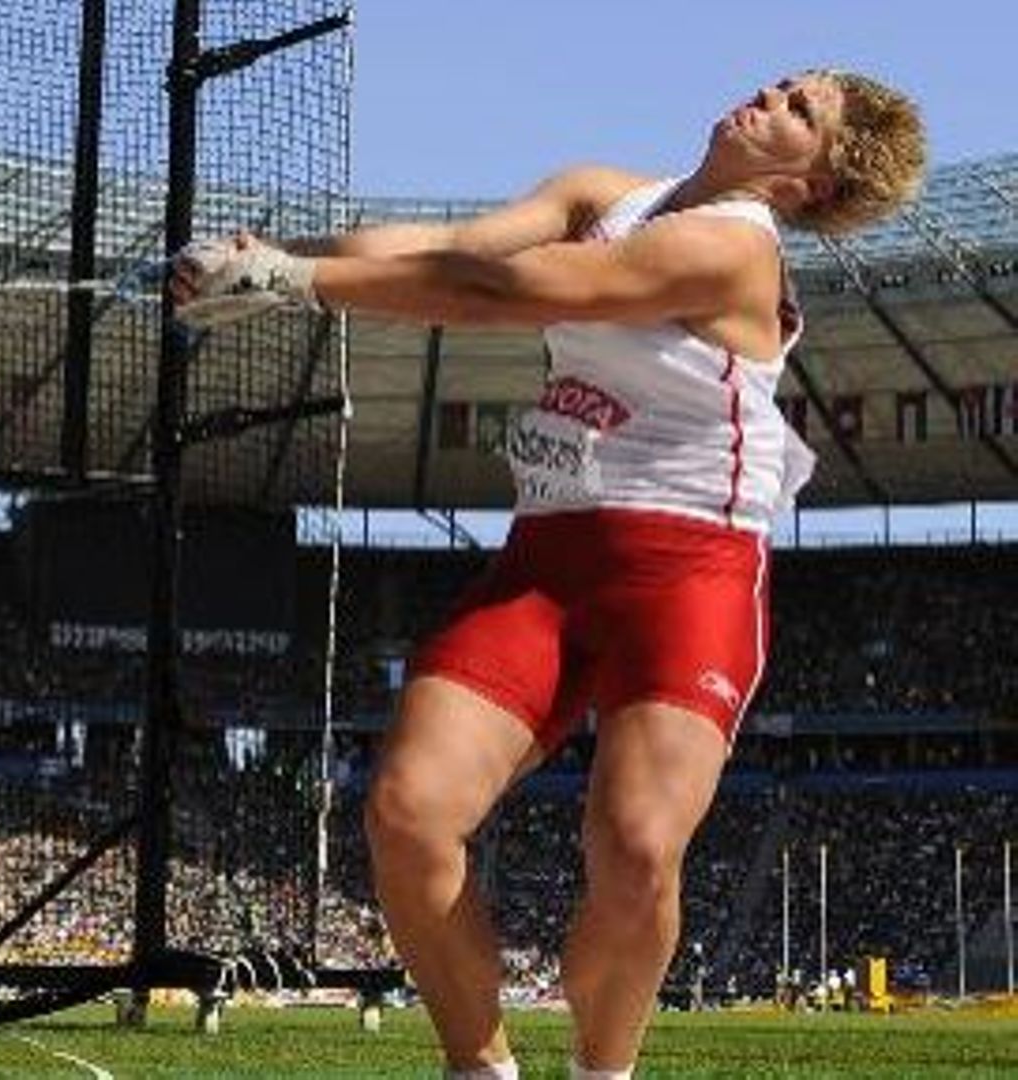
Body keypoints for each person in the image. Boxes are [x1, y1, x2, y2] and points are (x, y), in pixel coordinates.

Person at [171, 70, 924, 1080]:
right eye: (786, 82)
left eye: (802, 111)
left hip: (689, 569)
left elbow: (505, 294)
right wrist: (262, 259)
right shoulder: (599, 192)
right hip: (550, 558)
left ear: (811, 185)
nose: (773, 95)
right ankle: (479, 1067)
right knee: (408, 813)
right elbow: (449, 255)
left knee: (638, 849)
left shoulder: (731, 248)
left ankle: (601, 1075)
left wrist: (294, 285)